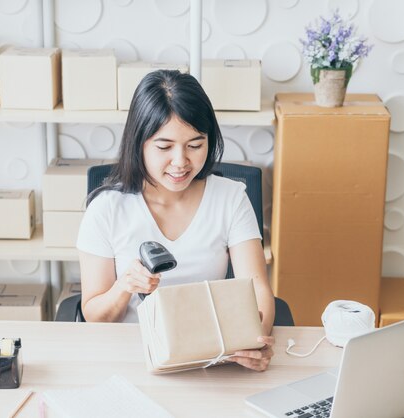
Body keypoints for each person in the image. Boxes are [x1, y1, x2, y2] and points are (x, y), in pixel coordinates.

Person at [76, 69, 275, 371]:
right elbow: (93, 314)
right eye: (165, 147)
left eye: (195, 145)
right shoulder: (106, 209)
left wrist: (253, 339)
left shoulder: (230, 198)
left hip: (211, 358)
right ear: (138, 143)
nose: (181, 162)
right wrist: (124, 286)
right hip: (132, 359)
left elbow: (258, 288)